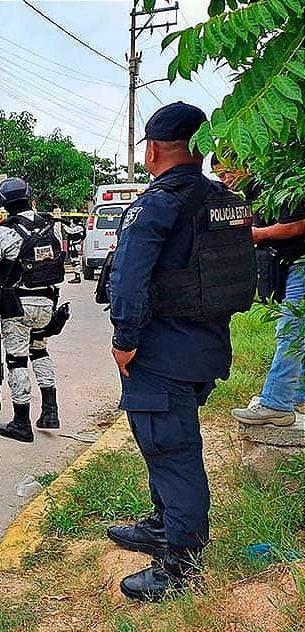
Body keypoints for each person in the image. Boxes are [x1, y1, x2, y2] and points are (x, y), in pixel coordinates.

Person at [105, 102, 256, 601]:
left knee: (172, 452)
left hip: (162, 352)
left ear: (151, 151)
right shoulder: (225, 201)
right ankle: (160, 524)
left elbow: (129, 280)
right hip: (206, 346)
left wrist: (124, 341)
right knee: (165, 442)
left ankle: (180, 566)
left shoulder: (157, 204)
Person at [0, 177, 67, 442]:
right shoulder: (53, 226)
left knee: (17, 361)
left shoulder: (4, 232)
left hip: (18, 306)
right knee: (40, 351)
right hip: (48, 304)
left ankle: (21, 423)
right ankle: (50, 411)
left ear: (3, 203)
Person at [231, 200, 305, 425]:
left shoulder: (277, 179)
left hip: (300, 263)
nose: (227, 180)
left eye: (227, 173)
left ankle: (277, 403)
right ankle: (296, 396)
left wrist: (259, 233)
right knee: (299, 333)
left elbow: (297, 225)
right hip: (291, 262)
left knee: (290, 332)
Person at [64, 218, 86, 284]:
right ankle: (76, 276)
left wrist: (64, 226)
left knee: (76, 262)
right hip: (73, 246)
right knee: (74, 262)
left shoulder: (79, 227)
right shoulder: (78, 227)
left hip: (76, 246)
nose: (71, 224)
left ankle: (77, 277)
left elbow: (71, 231)